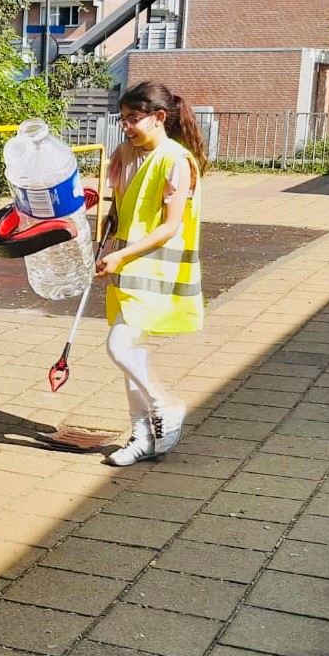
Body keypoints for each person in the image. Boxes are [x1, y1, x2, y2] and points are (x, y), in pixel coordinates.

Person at [95, 80, 207, 466]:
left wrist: (121, 256)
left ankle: (167, 404)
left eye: (133, 119)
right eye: (123, 118)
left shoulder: (177, 161)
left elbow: (169, 227)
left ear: (159, 117)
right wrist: (107, 243)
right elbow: (119, 207)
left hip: (156, 269)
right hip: (127, 268)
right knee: (132, 356)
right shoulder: (127, 153)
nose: (126, 126)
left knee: (120, 347)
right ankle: (141, 436)